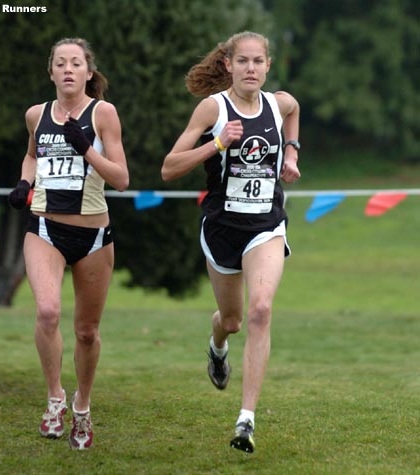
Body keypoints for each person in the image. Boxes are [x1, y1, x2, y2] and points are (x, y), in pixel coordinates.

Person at [161, 31, 300, 453]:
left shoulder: (278, 104)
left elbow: (294, 110)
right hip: (222, 229)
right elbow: (169, 168)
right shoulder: (213, 109)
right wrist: (217, 143)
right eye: (243, 62)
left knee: (260, 311)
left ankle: (245, 421)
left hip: (265, 226)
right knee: (233, 319)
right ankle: (217, 345)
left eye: (258, 62)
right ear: (228, 65)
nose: (251, 69)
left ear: (268, 66)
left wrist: (291, 154)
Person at [8, 37, 129, 450]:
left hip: (94, 235)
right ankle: (55, 398)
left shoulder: (104, 114)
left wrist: (87, 150)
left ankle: (82, 406)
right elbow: (31, 155)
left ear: (88, 73)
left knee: (86, 332)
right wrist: (25, 182)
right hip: (44, 227)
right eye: (60, 63)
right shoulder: (36, 115)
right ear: (51, 72)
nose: (68, 69)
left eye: (75, 63)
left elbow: (122, 178)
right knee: (46, 311)